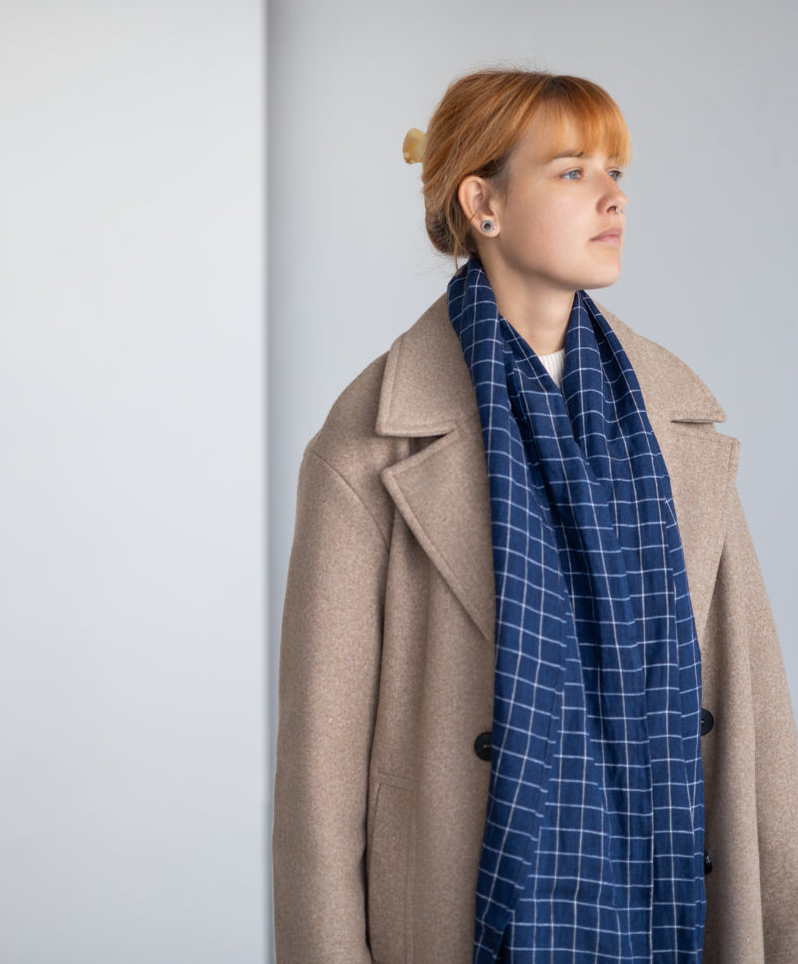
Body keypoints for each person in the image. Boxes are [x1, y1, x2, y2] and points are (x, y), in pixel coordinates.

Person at [272, 68, 798, 964]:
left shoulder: (678, 429)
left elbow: (760, 730)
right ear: (483, 202)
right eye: (571, 171)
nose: (612, 198)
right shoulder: (368, 446)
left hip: (666, 914)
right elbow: (317, 800)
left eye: (616, 172)